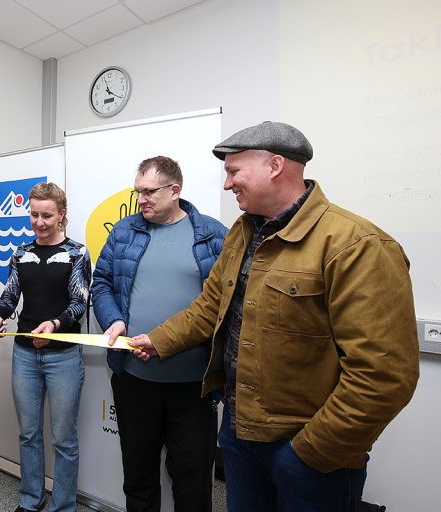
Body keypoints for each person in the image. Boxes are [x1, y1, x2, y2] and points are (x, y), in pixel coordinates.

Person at [129, 122, 420, 512]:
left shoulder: (356, 245)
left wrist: (310, 451)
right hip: (239, 433)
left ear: (275, 166)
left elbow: (383, 375)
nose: (227, 184)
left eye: (234, 172)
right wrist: (158, 339)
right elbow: (210, 306)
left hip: (308, 452)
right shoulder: (242, 233)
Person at [91, 156, 228, 512]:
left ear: (175, 190)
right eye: (138, 192)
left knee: (193, 482)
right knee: (138, 477)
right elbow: (101, 283)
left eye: (149, 192)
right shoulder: (124, 232)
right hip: (134, 380)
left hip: (193, 385)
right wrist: (114, 320)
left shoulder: (213, 235)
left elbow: (227, 303)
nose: (141, 200)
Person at [0, 182, 91, 512]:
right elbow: (10, 295)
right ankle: (31, 500)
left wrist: (55, 326)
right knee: (29, 433)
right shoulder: (20, 253)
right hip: (25, 356)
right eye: (34, 215)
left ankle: (64, 506)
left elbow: (79, 302)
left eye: (47, 215)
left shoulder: (77, 253)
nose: (39, 222)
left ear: (61, 215)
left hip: (64, 356)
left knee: (63, 438)